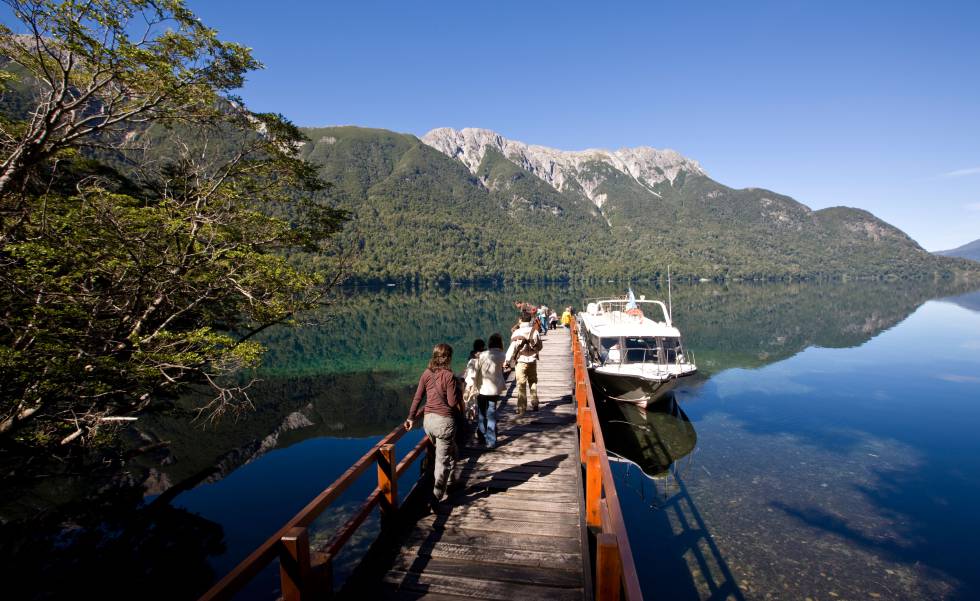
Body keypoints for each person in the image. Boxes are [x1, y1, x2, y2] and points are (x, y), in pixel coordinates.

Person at [405, 343, 461, 502]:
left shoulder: (426, 373)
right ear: (448, 357)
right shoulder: (449, 376)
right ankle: (436, 498)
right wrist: (457, 389)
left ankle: (451, 482)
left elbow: (417, 397)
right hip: (444, 423)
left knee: (453, 451)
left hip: (428, 422)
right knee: (441, 461)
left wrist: (410, 417)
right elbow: (451, 403)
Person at [505, 312, 542, 414]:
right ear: (530, 320)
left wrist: (507, 361)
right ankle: (534, 402)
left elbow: (512, 348)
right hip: (533, 360)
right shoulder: (535, 332)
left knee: (521, 384)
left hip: (521, 361)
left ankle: (521, 408)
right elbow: (540, 347)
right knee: (533, 381)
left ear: (520, 320)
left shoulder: (516, 333)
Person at [475, 333, 506, 448]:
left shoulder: (483, 355)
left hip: (482, 389)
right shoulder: (502, 355)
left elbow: (477, 368)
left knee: (482, 414)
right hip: (494, 390)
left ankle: (482, 436)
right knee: (492, 414)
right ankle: (491, 441)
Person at [463, 339, 486, 421]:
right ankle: (474, 414)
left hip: (469, 382)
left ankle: (470, 416)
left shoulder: (471, 356)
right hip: (479, 382)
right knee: (475, 400)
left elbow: (469, 370)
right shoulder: (485, 355)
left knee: (469, 400)